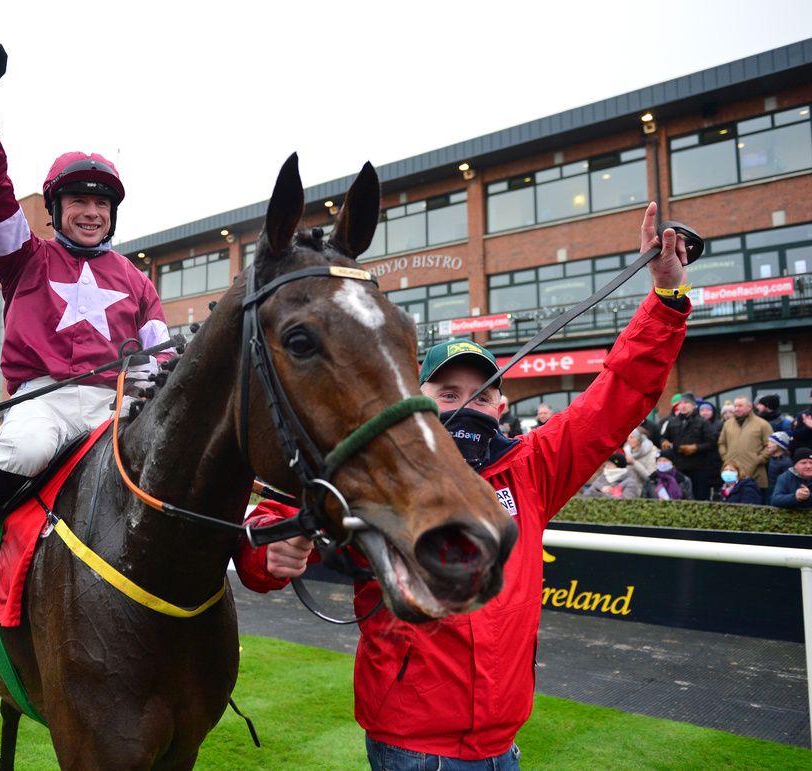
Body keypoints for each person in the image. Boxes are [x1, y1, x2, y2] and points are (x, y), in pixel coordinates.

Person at [234, 202, 692, 769]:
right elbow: (275, 521)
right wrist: (269, 547)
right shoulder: (383, 464)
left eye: (481, 394)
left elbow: (620, 392)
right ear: (418, 395)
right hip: (408, 741)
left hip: (502, 742)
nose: (465, 405)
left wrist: (666, 300)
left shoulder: (534, 468)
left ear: (501, 404)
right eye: (448, 393)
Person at [0, 41, 174, 606]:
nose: (92, 212)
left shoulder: (137, 281)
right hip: (47, 401)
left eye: (102, 205)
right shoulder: (24, 257)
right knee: (25, 448)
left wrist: (164, 370)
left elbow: (162, 356)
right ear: (58, 209)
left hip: (117, 405)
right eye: (80, 202)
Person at [660, 392, 717, 501]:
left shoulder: (703, 422)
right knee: (680, 498)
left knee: (699, 499)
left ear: (693, 405)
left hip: (699, 468)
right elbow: (663, 437)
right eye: (681, 403)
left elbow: (712, 443)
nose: (683, 405)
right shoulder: (672, 422)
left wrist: (696, 448)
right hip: (679, 468)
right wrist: (664, 442)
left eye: (686, 403)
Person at [718, 396, 773, 498]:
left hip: (755, 474)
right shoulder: (728, 424)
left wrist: (758, 459)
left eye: (740, 406)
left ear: (749, 407)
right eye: (735, 406)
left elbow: (770, 446)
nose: (737, 408)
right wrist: (726, 458)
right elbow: (721, 443)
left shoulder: (762, 424)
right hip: (732, 476)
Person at [766, 431, 793, 504]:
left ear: (779, 445)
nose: (768, 445)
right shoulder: (770, 459)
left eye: (772, 442)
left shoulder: (786, 462)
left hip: (777, 493)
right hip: (769, 492)